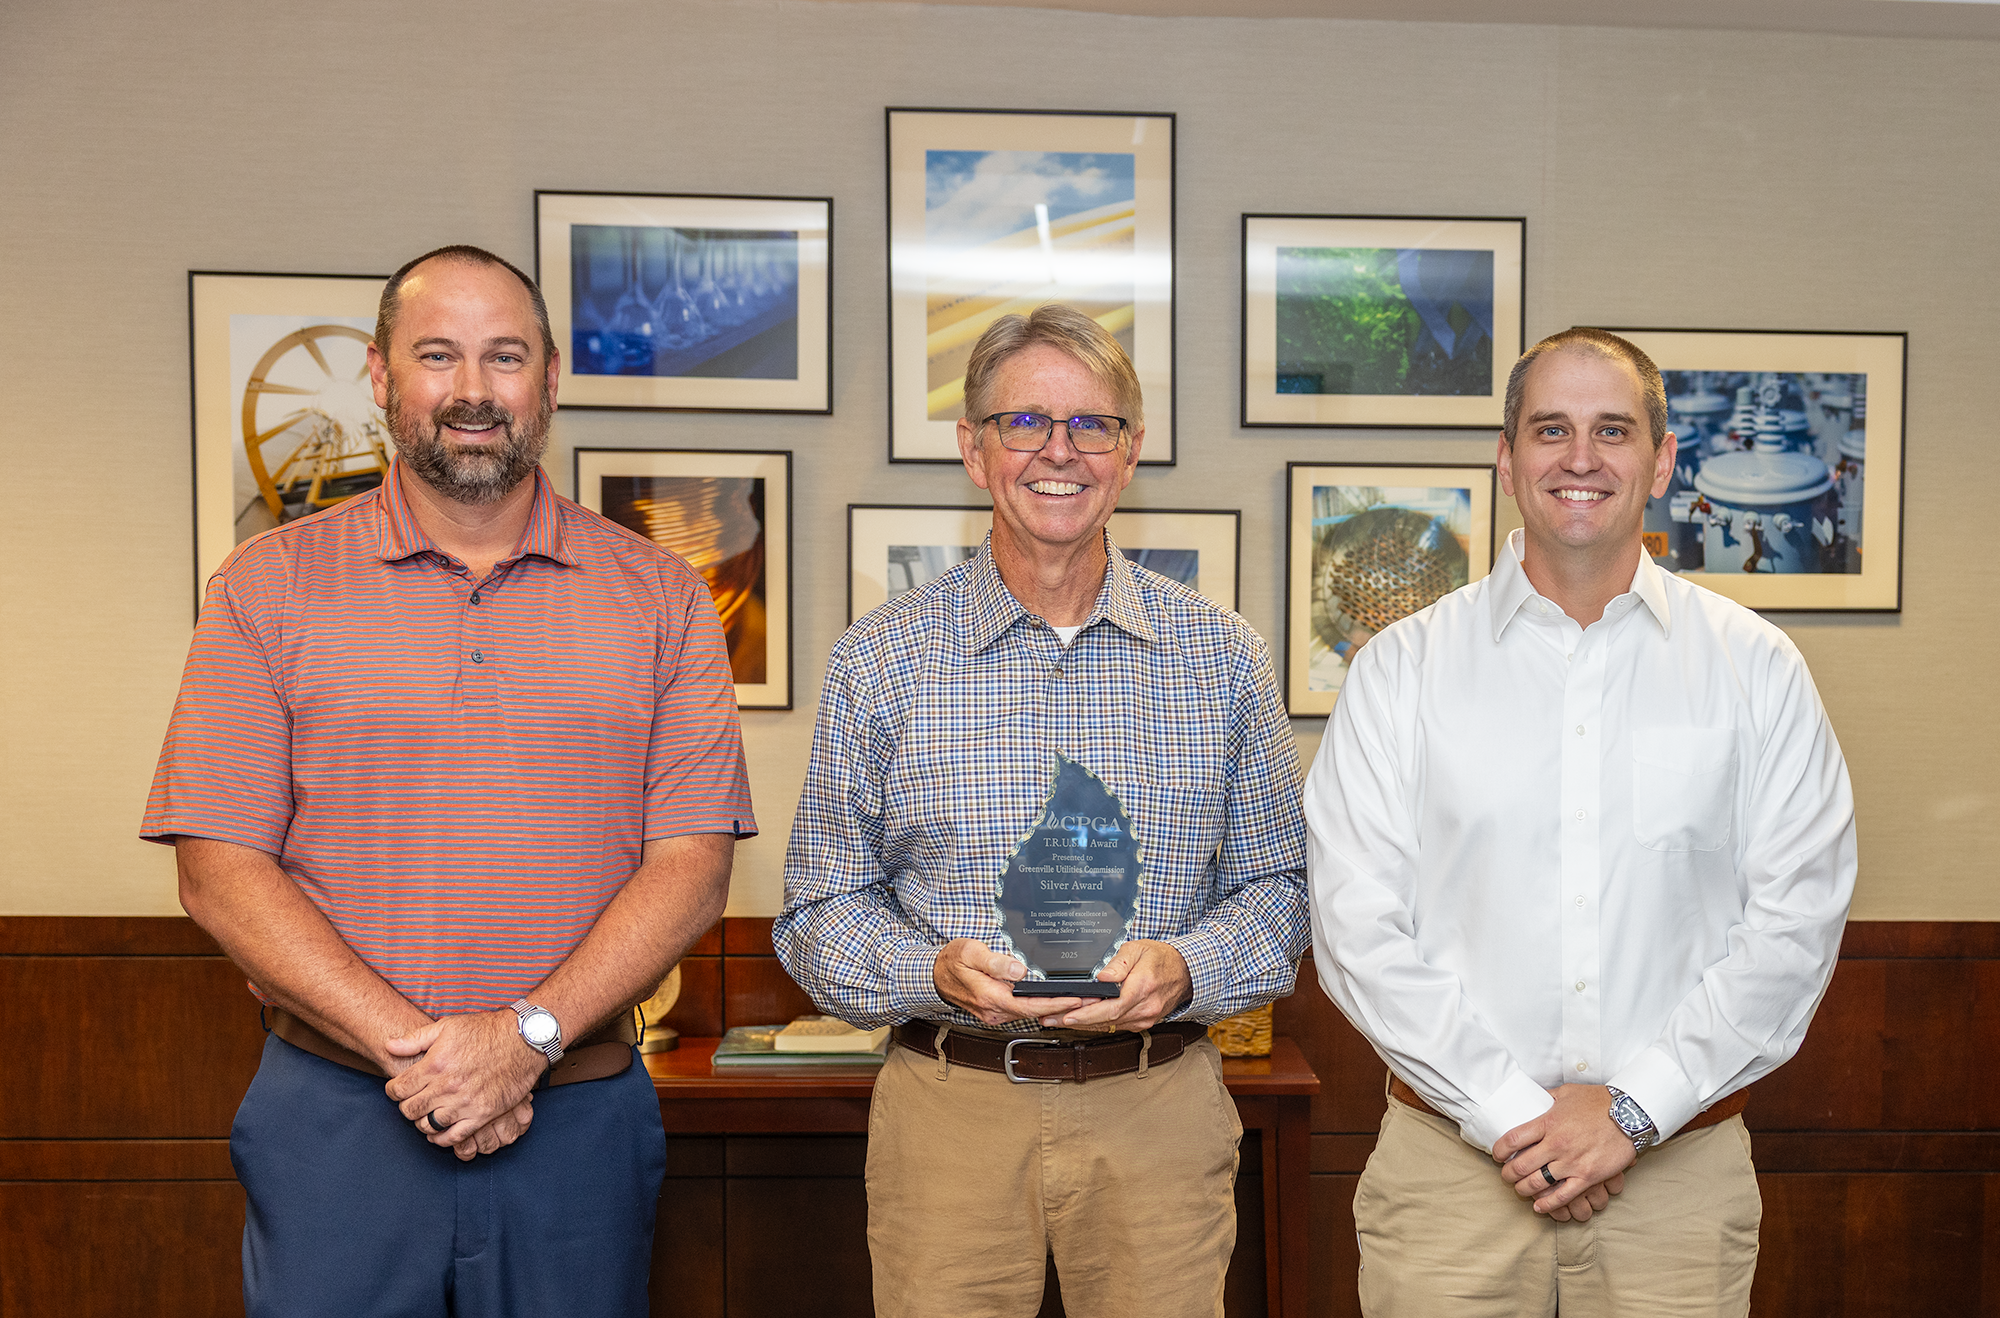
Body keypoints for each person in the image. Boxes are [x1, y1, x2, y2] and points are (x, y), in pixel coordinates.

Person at [141, 245, 754, 1317]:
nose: (471, 389)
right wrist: (430, 1059)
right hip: (337, 1120)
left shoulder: (661, 595)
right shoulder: (266, 585)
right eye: (437, 354)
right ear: (381, 377)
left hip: (577, 1124)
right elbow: (218, 868)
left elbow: (694, 866)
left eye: (503, 355)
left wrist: (522, 1041)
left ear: (549, 379)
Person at [1304, 327, 1857, 1316]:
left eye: (1612, 429)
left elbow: (1793, 921)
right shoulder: (1399, 671)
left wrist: (1632, 1111)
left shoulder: (1753, 667)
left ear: (1659, 461)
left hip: (1677, 1187)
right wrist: (1517, 1116)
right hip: (1447, 1183)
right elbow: (1355, 928)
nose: (1579, 456)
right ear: (1506, 459)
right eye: (1548, 428)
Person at [775, 304, 1309, 1318]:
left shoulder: (1222, 656)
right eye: (1022, 423)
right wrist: (923, 970)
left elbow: (1277, 894)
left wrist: (1186, 965)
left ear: (1130, 448)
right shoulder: (878, 661)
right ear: (972, 448)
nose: (1057, 451)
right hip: (950, 1110)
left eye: (1090, 424)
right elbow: (818, 912)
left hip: (1161, 1105)